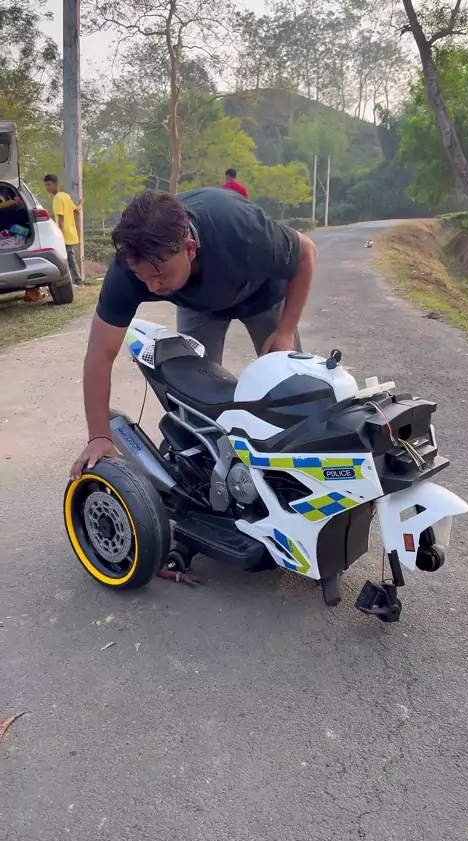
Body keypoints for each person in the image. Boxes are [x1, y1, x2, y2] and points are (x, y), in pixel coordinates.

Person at [71, 187, 316, 579]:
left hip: (261, 296)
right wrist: (99, 435)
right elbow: (100, 354)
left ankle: (294, 496)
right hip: (199, 305)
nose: (151, 287)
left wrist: (286, 328)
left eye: (159, 275)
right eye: (142, 277)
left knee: (289, 398)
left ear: (189, 248)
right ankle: (213, 491)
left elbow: (306, 252)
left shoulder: (240, 231)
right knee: (195, 402)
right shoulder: (131, 269)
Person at [44, 174, 83, 287]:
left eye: (49, 185)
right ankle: (75, 281)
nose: (47, 188)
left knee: (68, 260)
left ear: (56, 184)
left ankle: (77, 281)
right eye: (46, 185)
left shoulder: (57, 198)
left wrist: (58, 235)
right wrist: (81, 203)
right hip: (70, 233)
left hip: (64, 234)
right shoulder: (65, 196)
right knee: (69, 258)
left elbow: (60, 218)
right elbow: (77, 210)